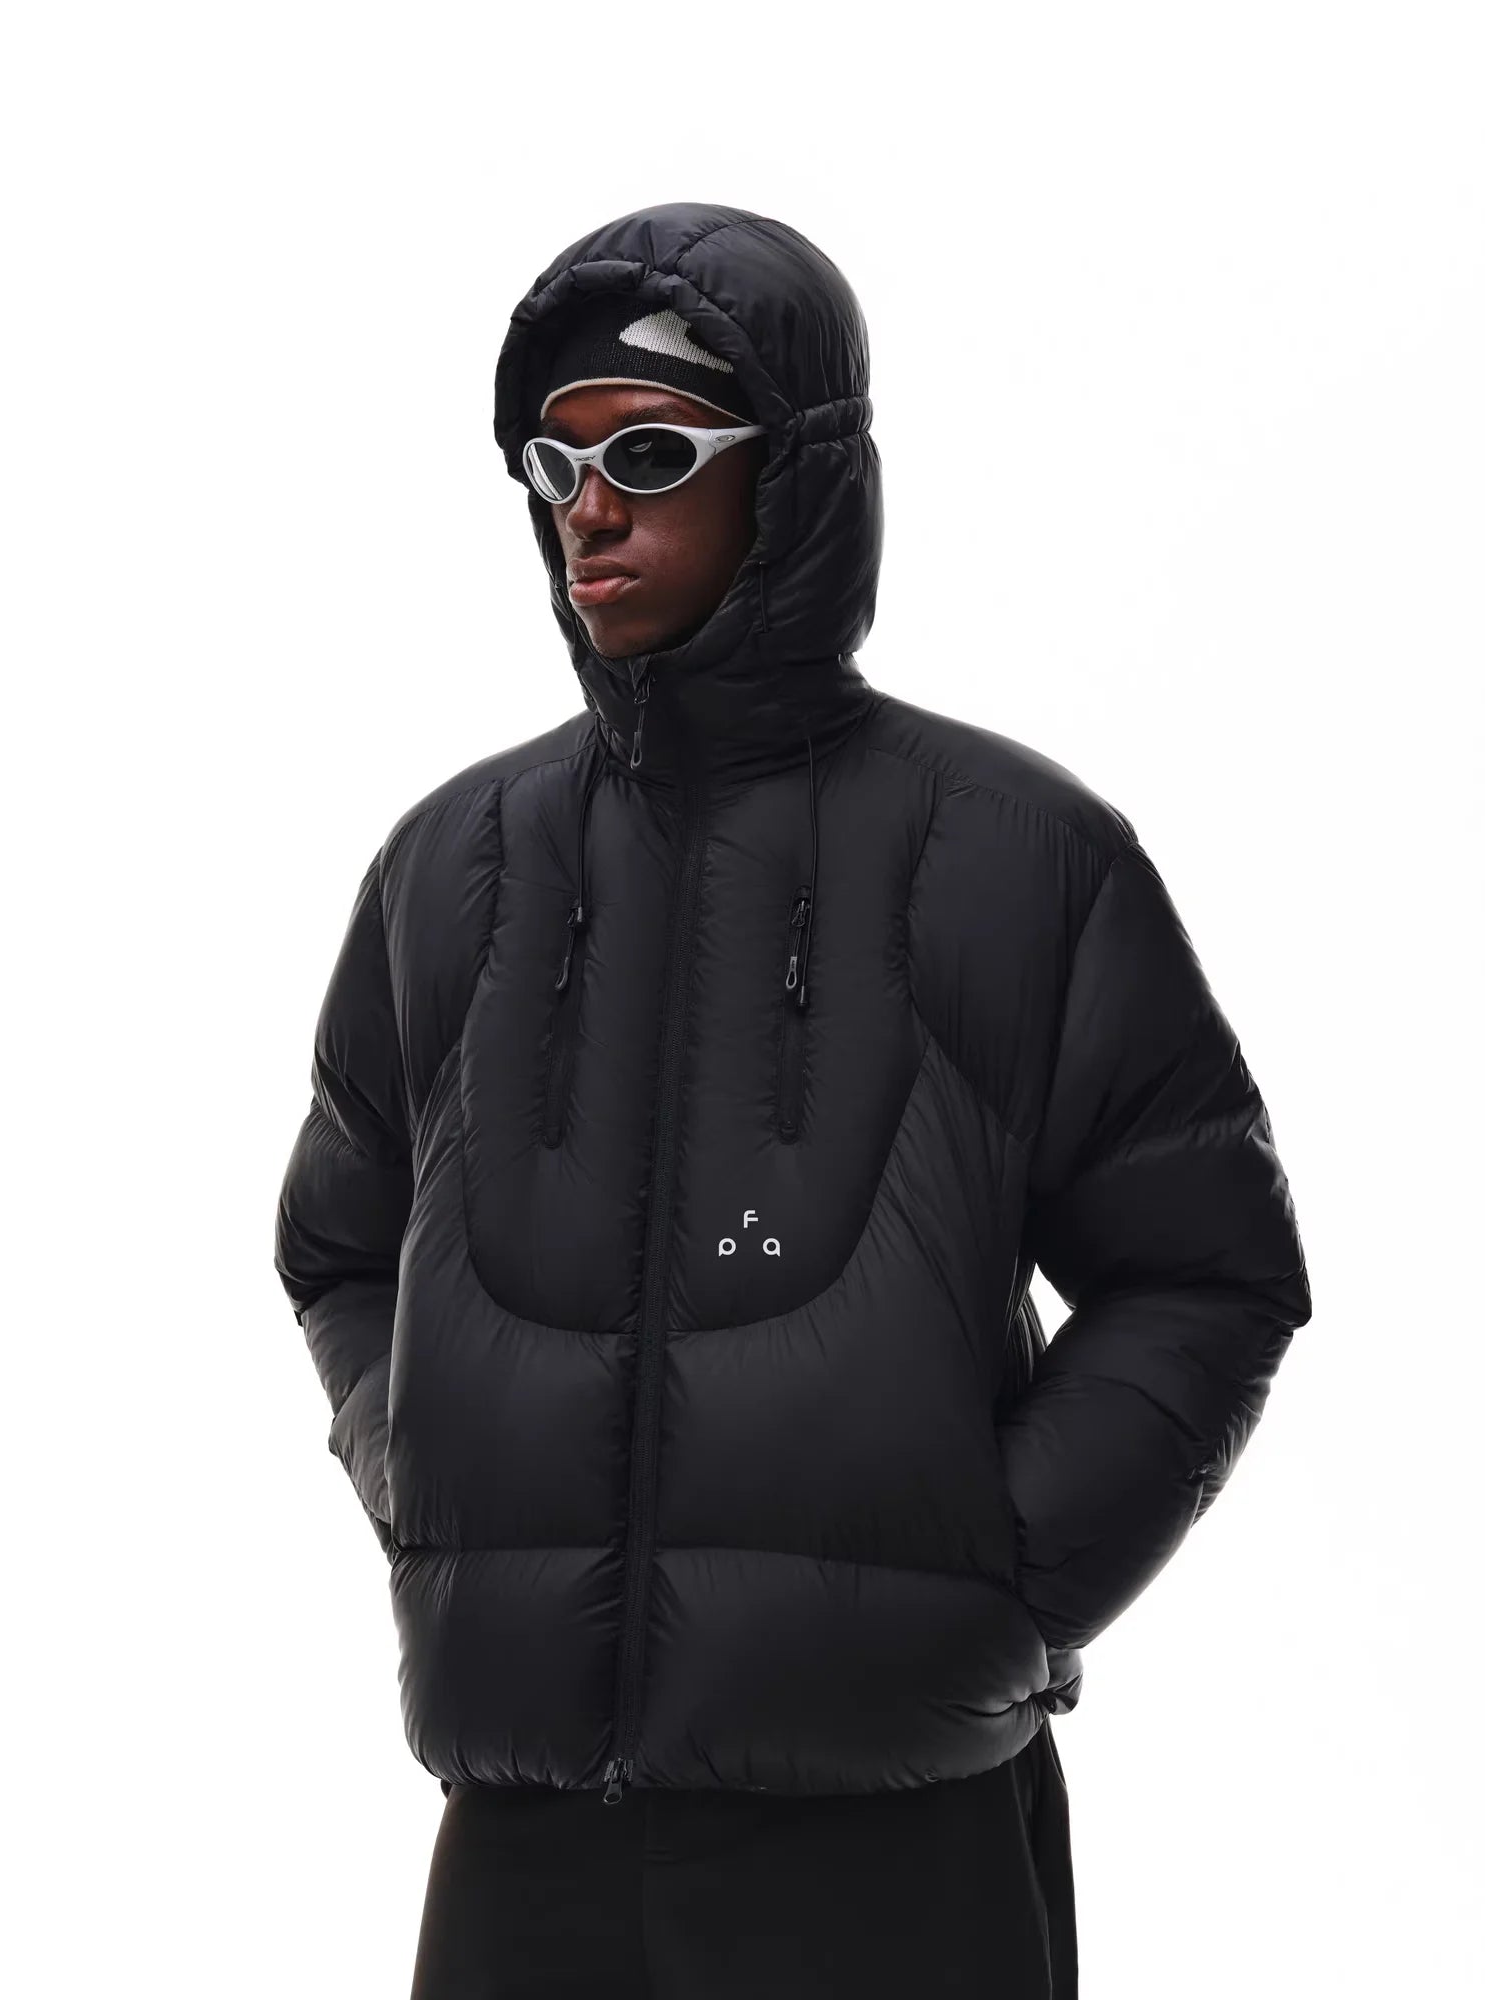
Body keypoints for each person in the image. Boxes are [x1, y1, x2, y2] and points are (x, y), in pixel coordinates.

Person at [274, 200, 1311, 1998]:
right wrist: (430, 1480)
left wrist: (999, 1580)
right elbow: (338, 1246)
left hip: (892, 1833)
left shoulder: (1018, 855)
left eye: (650, 456)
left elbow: (1206, 1270)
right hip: (527, 1838)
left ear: (800, 473)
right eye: (555, 465)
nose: (589, 512)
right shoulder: (454, 865)